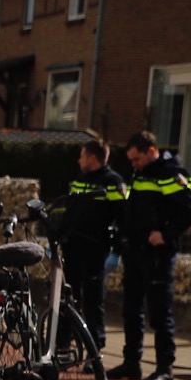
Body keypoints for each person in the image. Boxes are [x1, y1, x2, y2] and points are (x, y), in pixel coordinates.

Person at [114, 130, 191, 380]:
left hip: (157, 255)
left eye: (136, 158)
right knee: (131, 310)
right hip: (135, 251)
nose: (133, 164)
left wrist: (167, 234)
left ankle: (164, 369)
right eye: (131, 160)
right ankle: (131, 363)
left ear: (151, 151)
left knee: (159, 312)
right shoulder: (139, 174)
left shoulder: (170, 174)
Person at [59, 138, 128, 348]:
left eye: (82, 156)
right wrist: (59, 238)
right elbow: (70, 212)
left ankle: (95, 347)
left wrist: (116, 251)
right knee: (67, 297)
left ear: (92, 157)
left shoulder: (113, 182)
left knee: (93, 301)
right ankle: (63, 342)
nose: (78, 160)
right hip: (73, 248)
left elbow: (123, 218)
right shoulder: (80, 179)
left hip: (95, 249)